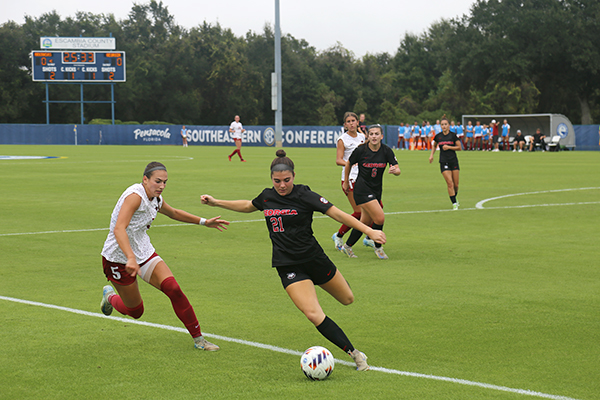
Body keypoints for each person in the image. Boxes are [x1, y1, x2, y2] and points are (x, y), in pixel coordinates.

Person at [201, 150, 383, 371]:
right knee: (313, 313)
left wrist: (368, 230)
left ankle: (330, 287)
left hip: (315, 259)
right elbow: (248, 205)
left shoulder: (305, 195)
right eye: (277, 181)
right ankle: (355, 355)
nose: (282, 185)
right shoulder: (267, 197)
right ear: (271, 179)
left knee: (347, 299)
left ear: (294, 176)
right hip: (288, 265)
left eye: (286, 180)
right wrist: (215, 202)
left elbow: (337, 214)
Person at [100, 162, 229, 351]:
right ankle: (110, 297)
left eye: (165, 182)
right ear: (145, 179)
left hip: (143, 253)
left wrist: (204, 222)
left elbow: (174, 213)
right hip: (117, 259)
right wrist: (130, 258)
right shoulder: (135, 197)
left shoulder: (156, 199)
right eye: (157, 181)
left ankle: (199, 339)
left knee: (173, 288)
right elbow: (119, 229)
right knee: (136, 311)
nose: (161, 186)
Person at [341, 124, 401, 260]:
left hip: (376, 190)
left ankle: (347, 246)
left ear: (381, 136)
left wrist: (395, 171)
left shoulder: (386, 151)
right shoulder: (361, 150)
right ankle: (378, 248)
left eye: (376, 134)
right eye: (371, 134)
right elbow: (348, 163)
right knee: (379, 217)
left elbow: (397, 168)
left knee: (364, 223)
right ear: (367, 136)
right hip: (361, 190)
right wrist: (345, 182)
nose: (374, 136)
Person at [332, 112, 374, 251]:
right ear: (345, 125)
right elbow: (338, 160)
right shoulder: (342, 140)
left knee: (374, 209)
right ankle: (338, 235)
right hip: (349, 178)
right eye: (348, 121)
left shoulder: (363, 137)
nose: (351, 123)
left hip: (364, 179)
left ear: (357, 123)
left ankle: (368, 238)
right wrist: (350, 164)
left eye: (353, 121)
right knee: (358, 212)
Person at [429, 116, 461, 210]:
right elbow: (434, 146)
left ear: (449, 125)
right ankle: (454, 203)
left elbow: (459, 147)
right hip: (444, 161)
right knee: (450, 183)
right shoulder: (438, 136)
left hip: (453, 161)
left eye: (445, 124)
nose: (444, 126)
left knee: (456, 185)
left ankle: (454, 197)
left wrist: (449, 147)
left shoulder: (453, 135)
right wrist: (431, 155)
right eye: (442, 124)